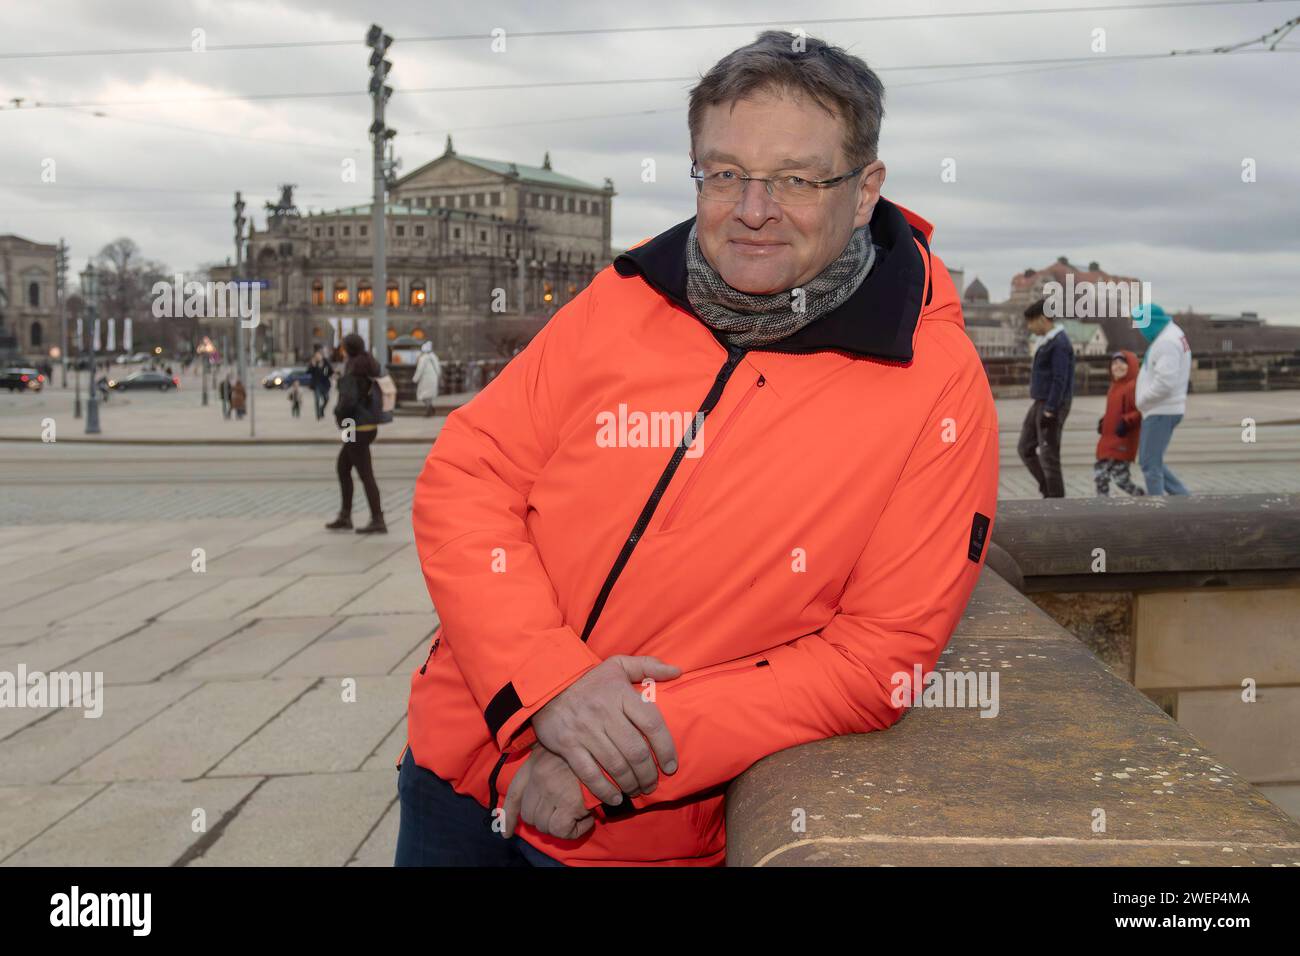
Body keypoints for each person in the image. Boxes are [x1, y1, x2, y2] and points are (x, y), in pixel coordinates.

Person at [396, 31, 1000, 867]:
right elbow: (468, 476)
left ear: (864, 192)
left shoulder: (934, 381)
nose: (754, 208)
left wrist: (618, 752)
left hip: (635, 828)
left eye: (796, 179)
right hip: (458, 762)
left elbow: (876, 658)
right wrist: (550, 686)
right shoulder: (625, 295)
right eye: (725, 174)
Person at [327, 332, 386, 534]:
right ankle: (345, 516)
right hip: (367, 425)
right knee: (343, 467)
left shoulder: (353, 368)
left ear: (348, 349)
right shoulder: (367, 363)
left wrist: (337, 412)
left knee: (364, 473)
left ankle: (377, 519)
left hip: (354, 426)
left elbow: (349, 401)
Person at [1017, 298, 1074, 498]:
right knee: (1025, 448)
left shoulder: (1059, 343)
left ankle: (1056, 502)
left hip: (1051, 403)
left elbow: (1060, 378)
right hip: (1040, 401)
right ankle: (1048, 490)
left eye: (1030, 322)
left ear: (1042, 319)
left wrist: (1051, 409)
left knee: (1049, 456)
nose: (1029, 327)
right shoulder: (1048, 341)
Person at [1134, 302, 1192, 495]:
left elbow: (1165, 382)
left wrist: (1143, 401)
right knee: (1150, 461)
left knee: (1150, 464)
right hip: (1162, 409)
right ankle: (1184, 499)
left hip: (1161, 410)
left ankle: (1158, 509)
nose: (1140, 331)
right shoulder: (1171, 334)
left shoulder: (1166, 342)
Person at [1094, 350, 1145, 496]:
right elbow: (1115, 410)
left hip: (1122, 439)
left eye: (1123, 363)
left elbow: (1140, 410)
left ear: (1131, 366)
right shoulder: (1114, 386)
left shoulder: (1132, 387)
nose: (1118, 367)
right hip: (1109, 438)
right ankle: (1104, 503)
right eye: (1115, 364)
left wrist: (1126, 421)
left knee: (1111, 476)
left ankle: (1140, 497)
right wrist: (1105, 421)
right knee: (1108, 477)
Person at [411, 341, 442, 417]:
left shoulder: (423, 358)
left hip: (425, 379)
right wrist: (438, 377)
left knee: (423, 396)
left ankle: (429, 410)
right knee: (429, 396)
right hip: (433, 378)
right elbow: (438, 369)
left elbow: (419, 370)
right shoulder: (434, 356)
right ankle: (430, 409)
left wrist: (415, 379)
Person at [307, 348, 333, 421]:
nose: (317, 357)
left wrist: (331, 374)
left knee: (326, 399)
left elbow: (331, 371)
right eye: (316, 355)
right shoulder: (313, 363)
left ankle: (321, 409)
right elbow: (308, 372)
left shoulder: (326, 362)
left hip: (325, 384)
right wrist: (313, 365)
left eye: (319, 355)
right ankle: (318, 415)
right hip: (316, 385)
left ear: (321, 355)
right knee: (317, 399)